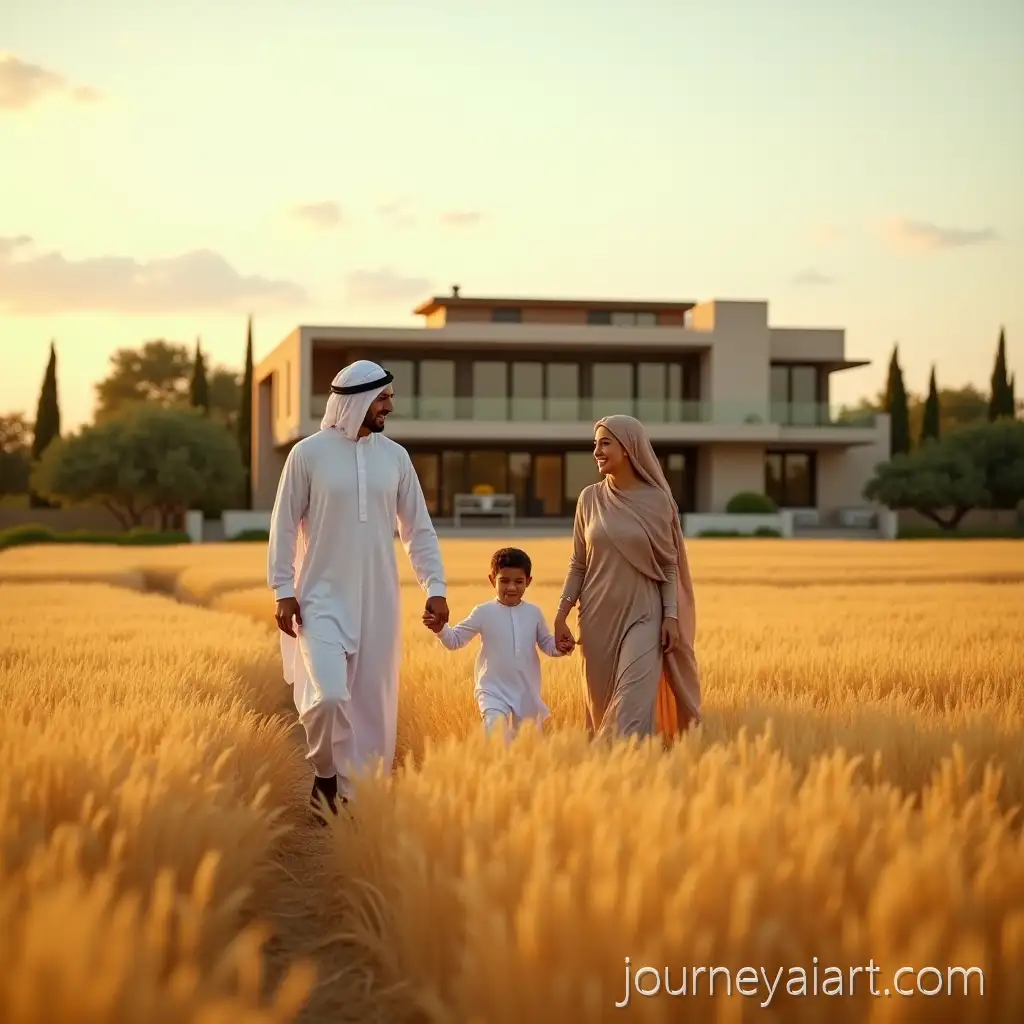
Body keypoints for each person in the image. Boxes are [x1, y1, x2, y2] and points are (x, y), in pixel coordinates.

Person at [267, 359, 449, 823]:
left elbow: (418, 530)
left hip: (380, 599)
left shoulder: (395, 457)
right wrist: (282, 588)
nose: (390, 405)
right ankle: (326, 772)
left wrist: (436, 586)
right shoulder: (308, 454)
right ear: (357, 401)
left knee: (373, 700)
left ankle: (358, 798)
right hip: (320, 597)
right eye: (383, 398)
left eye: (389, 397)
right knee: (328, 696)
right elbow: (284, 526)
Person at [553, 414, 701, 742]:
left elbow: (667, 565)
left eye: (605, 443)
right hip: (595, 620)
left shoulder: (657, 501)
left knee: (631, 710)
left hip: (645, 616)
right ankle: (609, 783)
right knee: (602, 710)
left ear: (629, 448)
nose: (597, 451)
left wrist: (671, 617)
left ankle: (635, 772)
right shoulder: (588, 499)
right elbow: (578, 563)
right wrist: (561, 614)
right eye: (595, 444)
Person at [423, 547, 572, 743]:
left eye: (518, 581)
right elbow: (455, 641)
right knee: (496, 735)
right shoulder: (483, 612)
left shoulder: (534, 613)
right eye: (504, 581)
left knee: (527, 746)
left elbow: (547, 645)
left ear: (528, 581)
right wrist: (440, 628)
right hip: (492, 690)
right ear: (492, 579)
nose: (511, 587)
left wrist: (561, 647)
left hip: (526, 691)